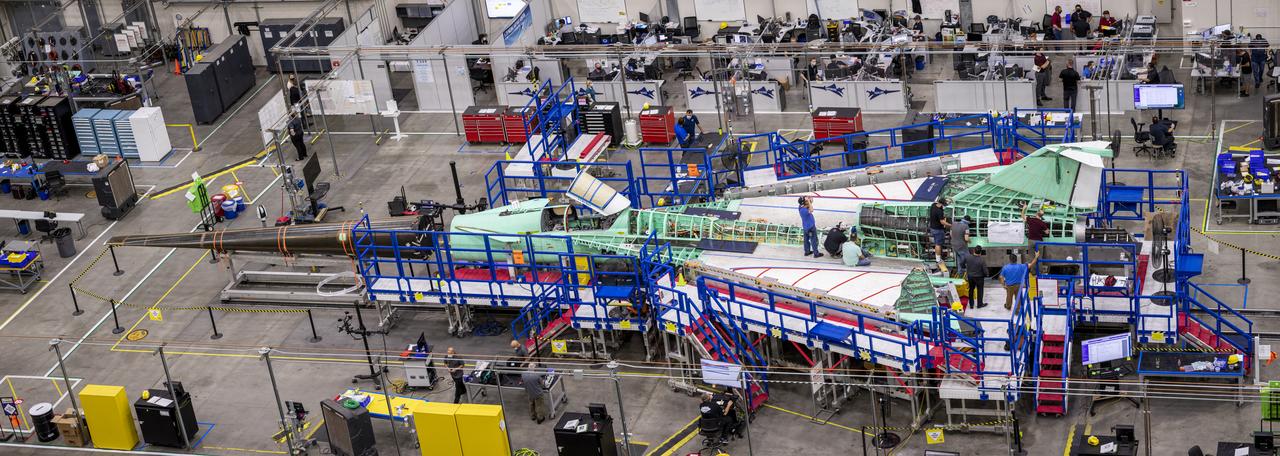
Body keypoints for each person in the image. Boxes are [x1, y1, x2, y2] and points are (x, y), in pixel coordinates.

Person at [928, 198, 951, 263]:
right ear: (941, 204)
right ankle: (938, 260)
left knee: (936, 243)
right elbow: (942, 222)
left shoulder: (933, 205)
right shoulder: (939, 211)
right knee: (938, 244)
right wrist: (950, 225)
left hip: (932, 228)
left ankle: (938, 257)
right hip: (938, 230)